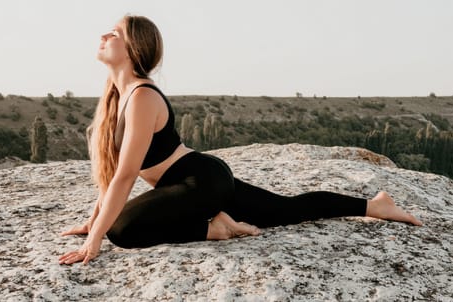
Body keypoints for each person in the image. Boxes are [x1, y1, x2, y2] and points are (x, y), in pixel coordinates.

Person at [59, 15, 422, 266]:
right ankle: (375, 206)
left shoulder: (141, 97)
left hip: (198, 181)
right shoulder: (119, 97)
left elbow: (125, 177)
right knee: (287, 210)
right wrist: (93, 222)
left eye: (115, 33)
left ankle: (214, 228)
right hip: (193, 182)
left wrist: (95, 241)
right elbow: (111, 176)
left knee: (121, 229)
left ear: (134, 48)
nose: (104, 37)